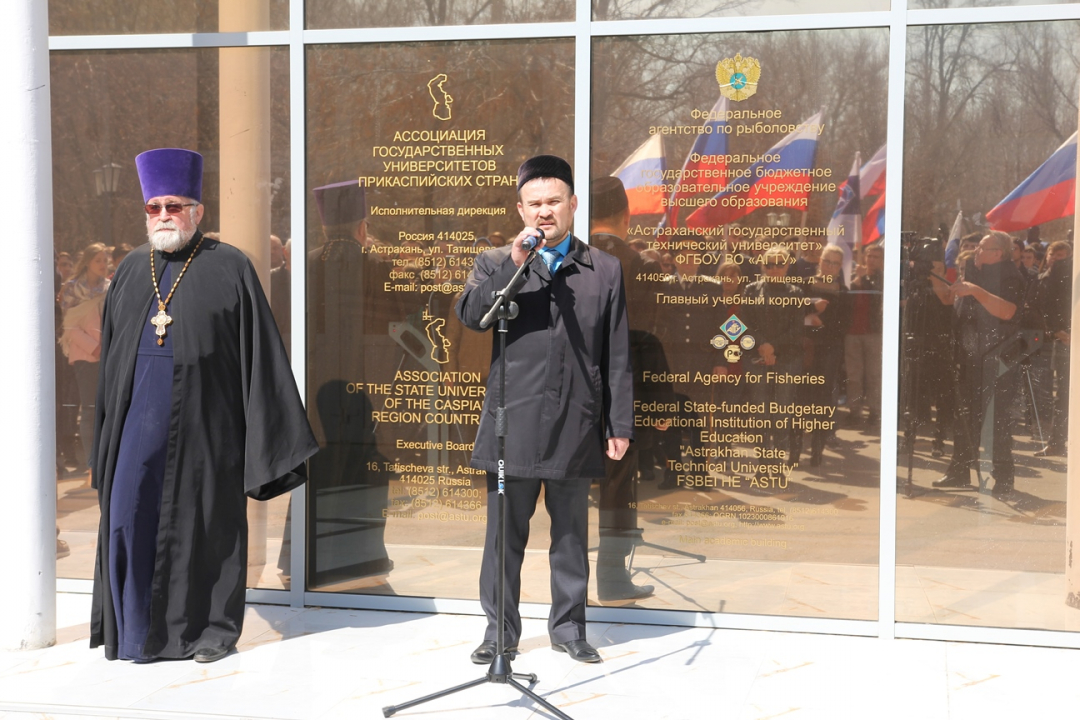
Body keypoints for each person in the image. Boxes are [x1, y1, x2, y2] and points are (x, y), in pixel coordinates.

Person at [90, 148, 317, 663]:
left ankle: (209, 633)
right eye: (155, 207)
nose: (164, 215)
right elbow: (109, 359)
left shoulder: (229, 265)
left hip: (208, 425)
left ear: (197, 210)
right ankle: (135, 633)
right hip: (135, 426)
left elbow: (262, 354)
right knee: (128, 515)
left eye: (175, 205)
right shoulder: (129, 269)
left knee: (206, 528)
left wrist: (267, 437)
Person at [456, 155, 633, 665]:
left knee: (571, 535)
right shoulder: (495, 261)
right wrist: (514, 264)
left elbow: (616, 353)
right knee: (502, 540)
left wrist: (618, 422)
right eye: (534, 204)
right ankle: (499, 632)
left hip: (575, 421)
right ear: (520, 209)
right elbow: (471, 316)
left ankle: (569, 628)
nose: (544, 212)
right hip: (512, 423)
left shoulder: (603, 269)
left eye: (554, 201)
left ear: (573, 205)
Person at [588, 177, 659, 602]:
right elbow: (646, 338)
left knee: (571, 486)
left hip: (573, 389)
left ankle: (570, 583)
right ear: (625, 216)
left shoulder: (565, 256)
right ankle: (612, 577)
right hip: (620, 390)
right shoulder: (636, 264)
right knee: (618, 485)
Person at [933, 231, 1023, 497]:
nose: (976, 252)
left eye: (983, 248)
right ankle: (959, 472)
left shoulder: (1010, 275)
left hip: (999, 358)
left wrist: (974, 290)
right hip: (970, 357)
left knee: (997, 421)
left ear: (998, 253)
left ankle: (1004, 479)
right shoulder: (973, 270)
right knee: (964, 419)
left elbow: (1007, 311)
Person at [60, 242, 110, 468]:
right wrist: (94, 347)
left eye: (105, 260)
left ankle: (105, 458)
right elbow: (68, 326)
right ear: (88, 262)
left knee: (107, 408)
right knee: (89, 408)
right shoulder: (71, 289)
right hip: (84, 356)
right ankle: (92, 461)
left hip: (108, 356)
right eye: (98, 260)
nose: (103, 264)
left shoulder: (110, 287)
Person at [844, 243, 884, 428]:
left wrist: (862, 281)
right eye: (869, 256)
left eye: (876, 257)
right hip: (852, 332)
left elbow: (877, 296)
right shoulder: (854, 276)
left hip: (873, 332)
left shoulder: (883, 278)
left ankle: (875, 411)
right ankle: (854, 410)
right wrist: (856, 281)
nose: (872, 260)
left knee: (874, 375)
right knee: (854, 375)